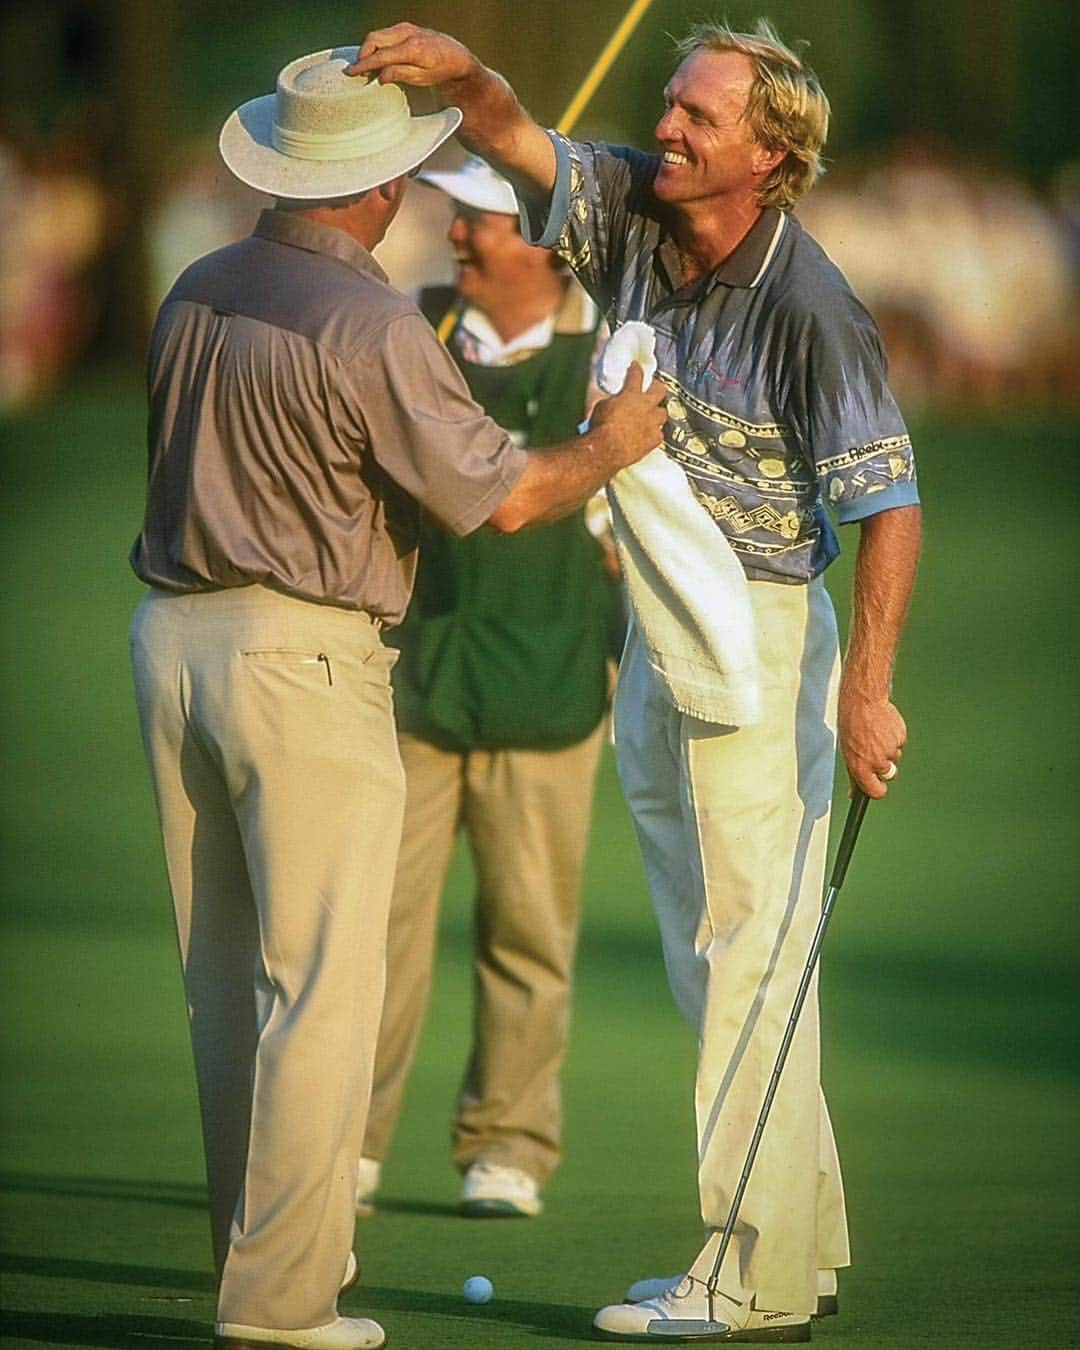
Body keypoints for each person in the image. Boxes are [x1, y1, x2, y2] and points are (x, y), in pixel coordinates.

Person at [353, 18, 921, 1345]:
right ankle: (808, 1231)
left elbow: (890, 502)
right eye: (669, 106)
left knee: (745, 960)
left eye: (698, 118)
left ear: (770, 155)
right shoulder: (625, 200)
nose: (666, 130)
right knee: (720, 955)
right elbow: (506, 129)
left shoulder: (811, 304)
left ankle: (750, 1270)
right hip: (661, 625)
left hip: (759, 633)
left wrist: (868, 687)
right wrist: (458, 69)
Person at [128, 47, 666, 1350]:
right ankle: (284, 1299)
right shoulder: (372, 322)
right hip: (305, 660)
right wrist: (613, 440)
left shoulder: (196, 288)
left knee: (225, 991)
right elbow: (505, 496)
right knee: (322, 989)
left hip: (169, 644)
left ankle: (258, 1259)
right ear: (375, 191)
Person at [356, 156, 617, 1220]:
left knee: (527, 935)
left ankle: (507, 1145)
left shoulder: (616, 352)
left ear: (546, 243)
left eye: (479, 223)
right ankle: (346, 1144)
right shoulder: (406, 330)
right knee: (373, 930)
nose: (455, 238)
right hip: (412, 687)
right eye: (454, 219)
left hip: (551, 689)